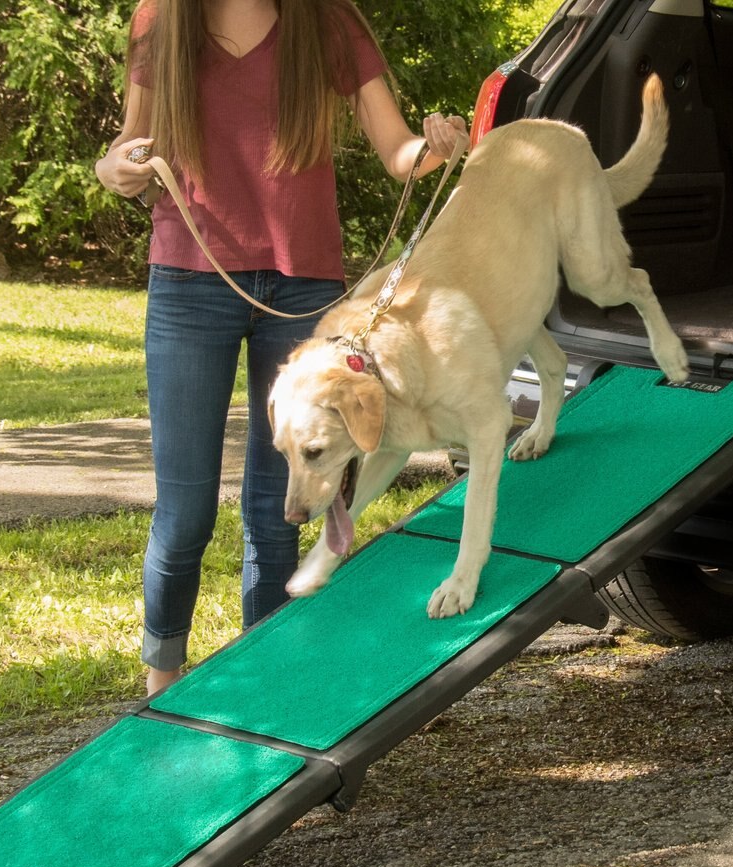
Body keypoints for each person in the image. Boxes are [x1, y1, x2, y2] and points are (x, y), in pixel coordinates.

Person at [94, 0, 468, 695]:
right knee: (184, 517)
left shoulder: (326, 19)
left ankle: (264, 690)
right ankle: (160, 688)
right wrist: (115, 169)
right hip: (188, 281)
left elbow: (397, 151)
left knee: (277, 514)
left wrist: (436, 146)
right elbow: (124, 148)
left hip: (300, 290)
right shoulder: (160, 18)